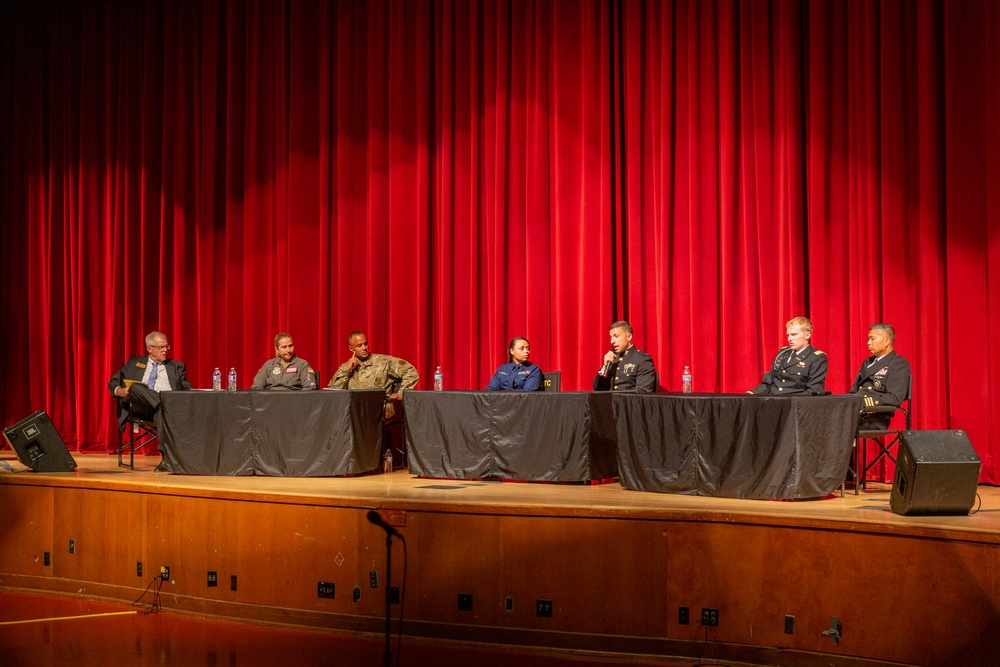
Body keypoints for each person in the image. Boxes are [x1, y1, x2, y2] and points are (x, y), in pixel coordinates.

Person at [108, 331, 192, 471]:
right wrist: (119, 391)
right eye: (161, 348)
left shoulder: (177, 366)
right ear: (149, 348)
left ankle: (166, 460)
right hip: (140, 408)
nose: (165, 350)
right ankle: (163, 404)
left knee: (160, 411)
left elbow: (187, 389)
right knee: (135, 387)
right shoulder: (134, 363)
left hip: (164, 411)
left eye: (167, 347)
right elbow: (113, 382)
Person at [327, 331, 419, 419]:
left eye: (365, 344)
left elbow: (410, 371)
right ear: (351, 349)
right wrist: (347, 371)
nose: (364, 348)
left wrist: (401, 393)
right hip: (354, 412)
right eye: (359, 346)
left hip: (378, 410)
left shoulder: (384, 362)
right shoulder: (346, 367)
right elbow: (334, 392)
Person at [850, 323, 912, 429]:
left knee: (834, 428)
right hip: (856, 413)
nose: (868, 343)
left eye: (872, 339)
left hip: (873, 418)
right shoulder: (868, 362)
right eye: (868, 339)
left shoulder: (898, 363)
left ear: (886, 341)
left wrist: (863, 403)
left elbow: (894, 398)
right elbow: (854, 391)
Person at [749, 316, 828, 395]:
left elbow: (812, 392)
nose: (789, 339)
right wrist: (749, 395)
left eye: (794, 335)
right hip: (772, 403)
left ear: (807, 335)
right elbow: (768, 384)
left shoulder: (816, 358)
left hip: (795, 405)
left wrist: (786, 402)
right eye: (788, 335)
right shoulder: (783, 353)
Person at [592, 321, 656, 392]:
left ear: (629, 337)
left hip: (628, 402)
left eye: (616, 336)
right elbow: (598, 389)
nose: (612, 341)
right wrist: (604, 367)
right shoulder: (612, 359)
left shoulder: (642, 359)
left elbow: (642, 391)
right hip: (608, 402)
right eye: (611, 337)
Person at [250, 333, 318, 390]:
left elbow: (310, 388)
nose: (288, 350)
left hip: (293, 402)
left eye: (290, 346)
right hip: (270, 402)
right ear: (277, 349)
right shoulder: (269, 365)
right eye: (284, 347)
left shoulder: (302, 364)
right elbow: (256, 388)